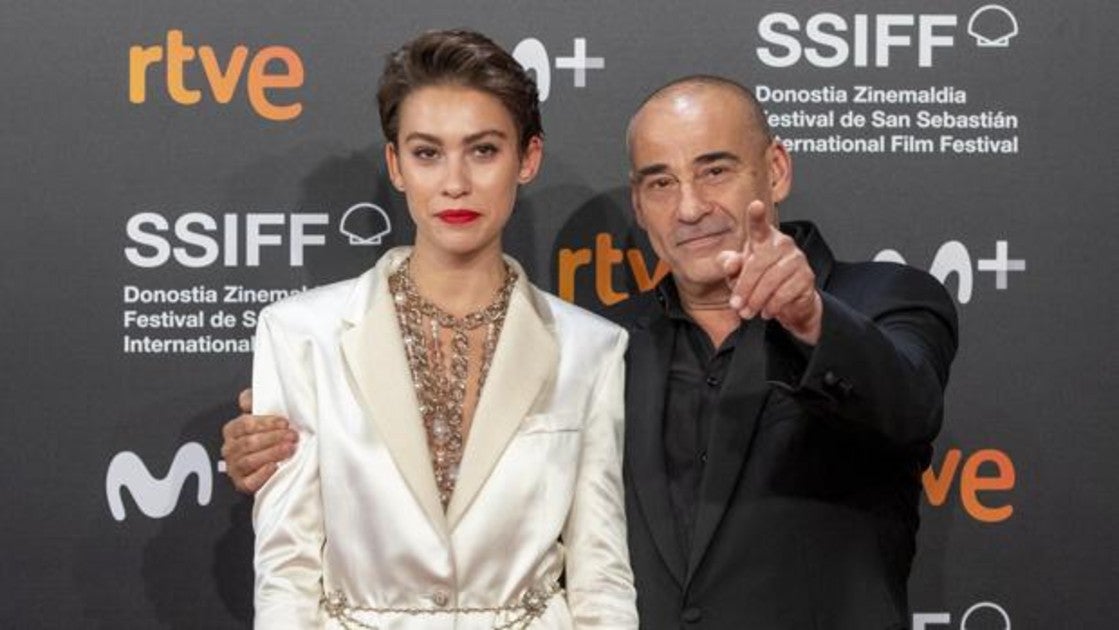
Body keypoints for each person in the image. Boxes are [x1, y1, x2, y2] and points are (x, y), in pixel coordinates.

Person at [226, 75, 957, 629]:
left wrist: (810, 317)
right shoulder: (606, 343)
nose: (690, 207)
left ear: (776, 169)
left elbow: (909, 403)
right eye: (660, 182)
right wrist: (294, 438)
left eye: (714, 170)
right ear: (638, 205)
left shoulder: (883, 300)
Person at [245, 29, 637, 629]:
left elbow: (601, 573)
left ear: (527, 158)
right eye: (427, 153)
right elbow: (286, 571)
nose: (455, 182)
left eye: (483, 151)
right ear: (396, 165)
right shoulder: (300, 335)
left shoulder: (592, 348)